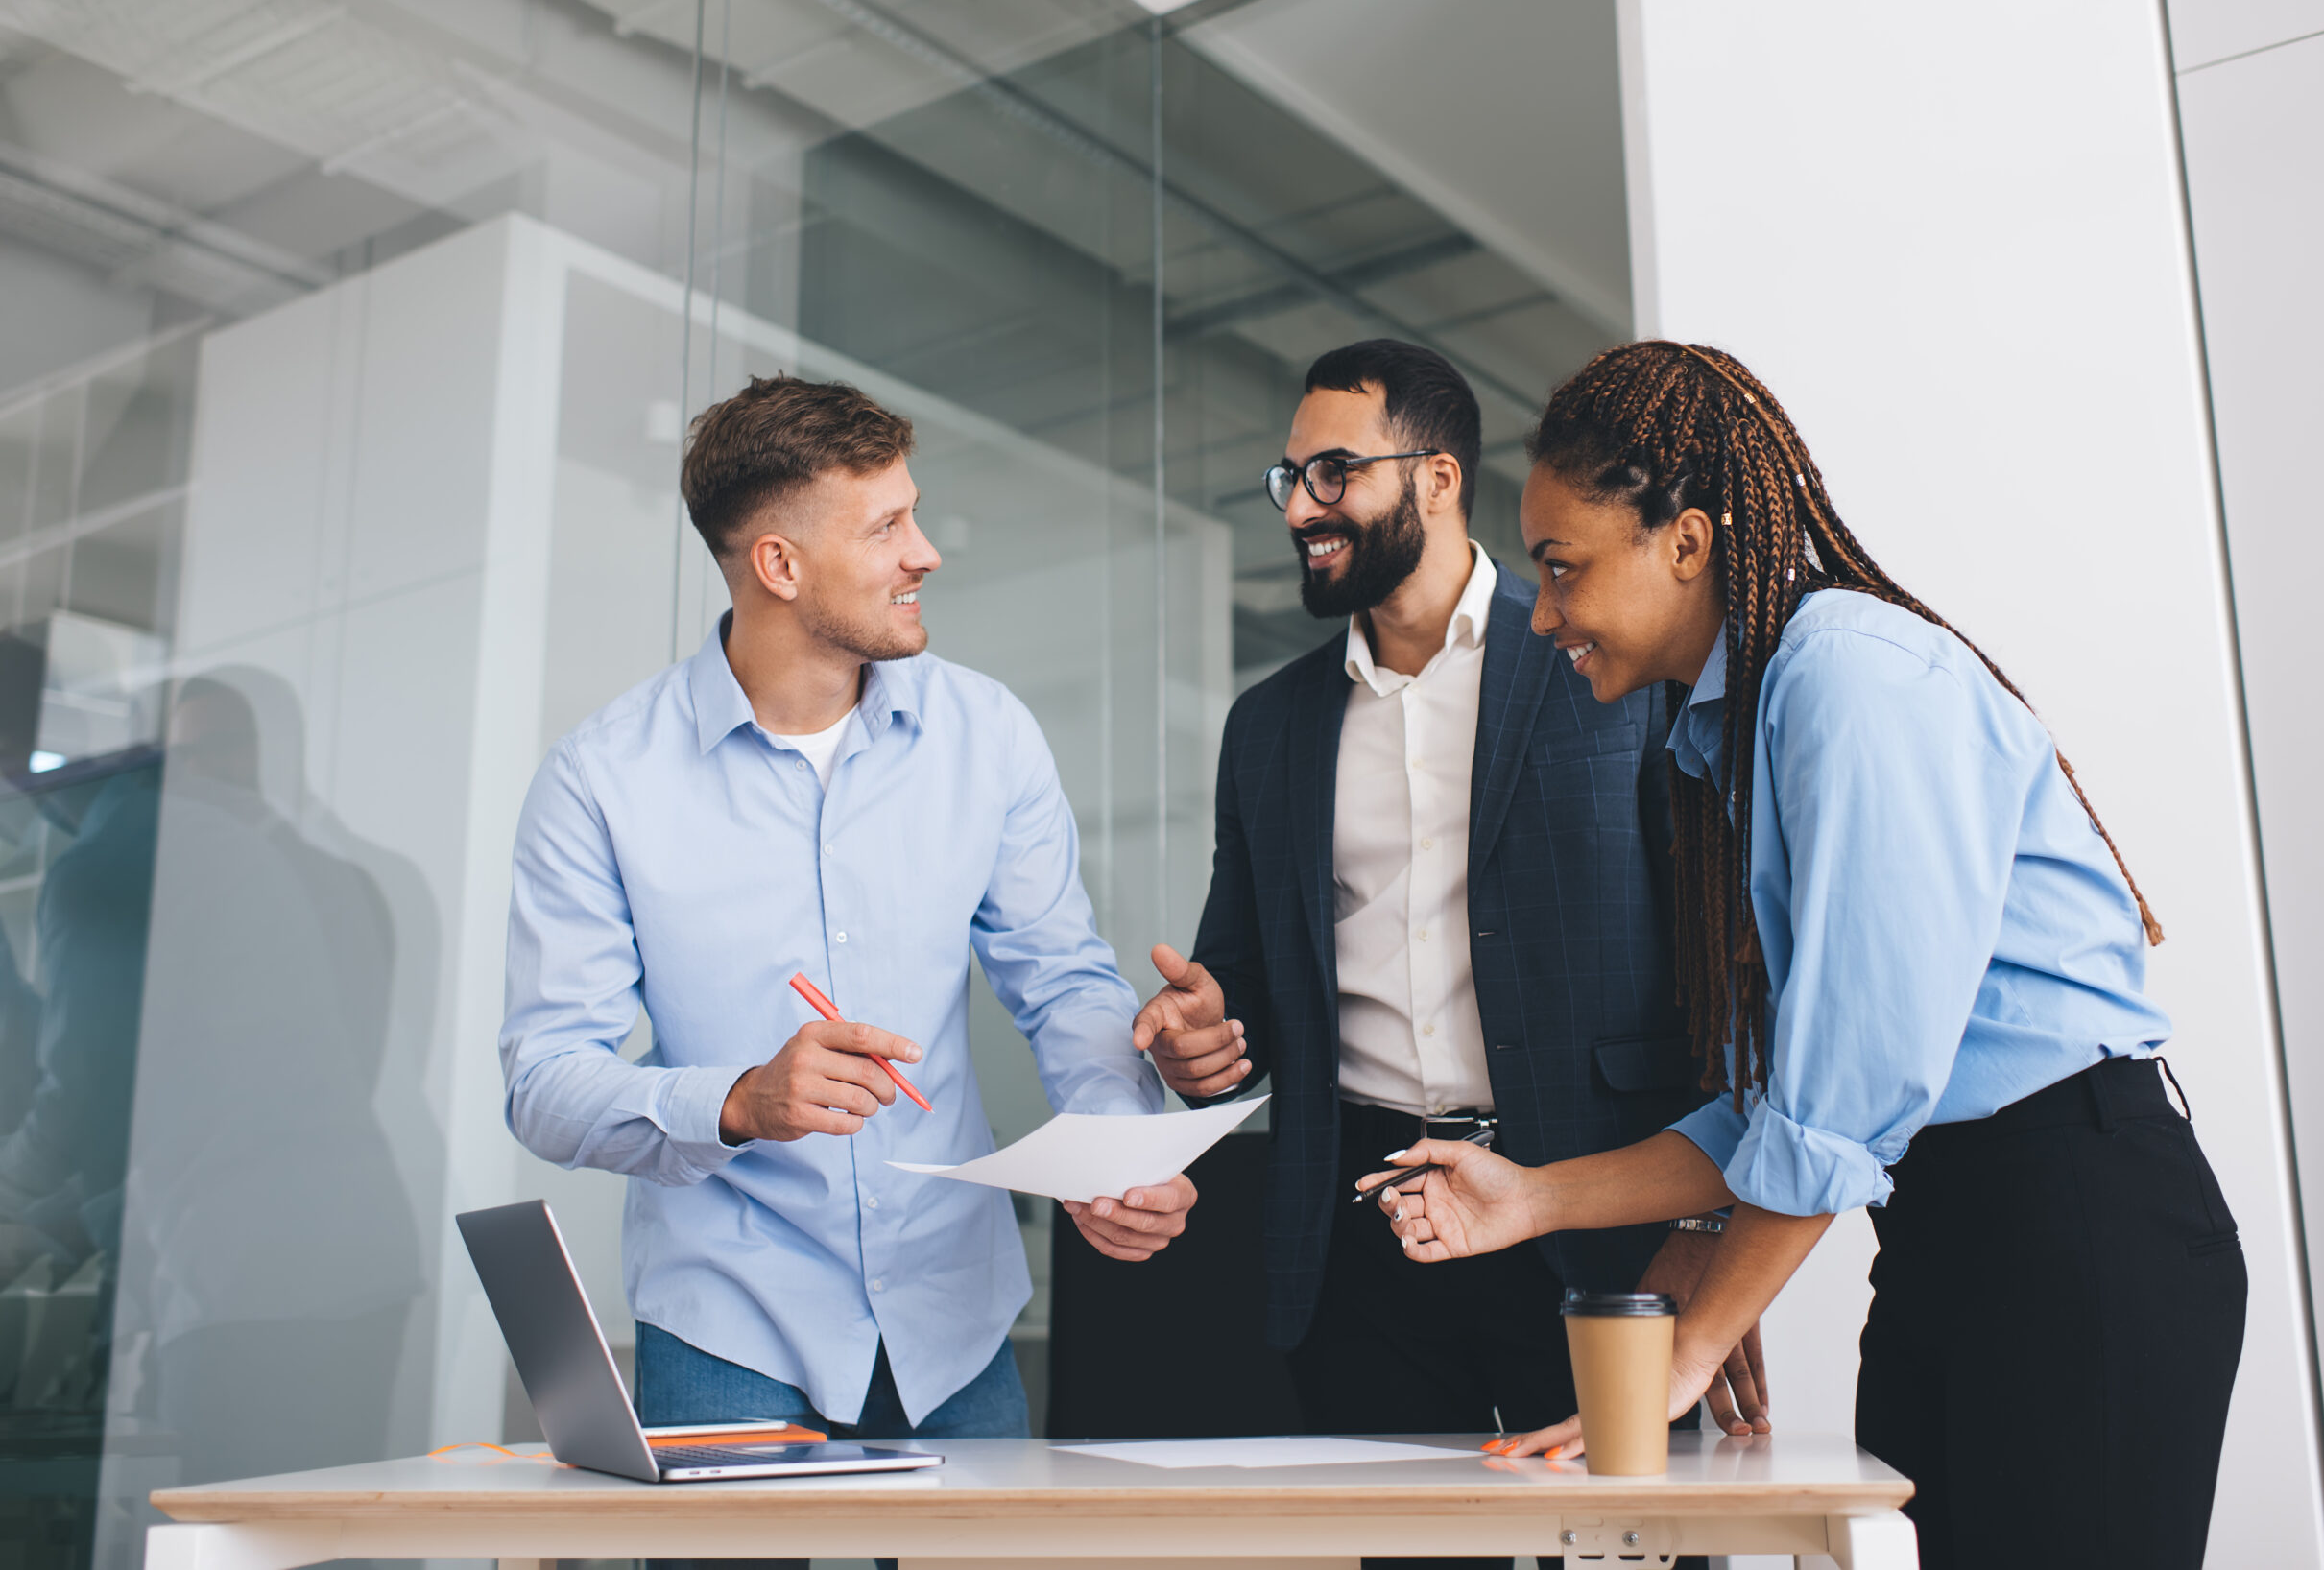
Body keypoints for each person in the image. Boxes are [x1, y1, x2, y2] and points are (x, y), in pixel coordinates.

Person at [1369, 341, 2247, 1569]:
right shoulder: (1739, 719)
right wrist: (1530, 1195)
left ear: (1685, 540)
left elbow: (1848, 1095)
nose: (1548, 613)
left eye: (1564, 569)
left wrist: (1685, 1343)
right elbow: (1778, 1107)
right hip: (1957, 1231)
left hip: (2074, 1223)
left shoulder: (1844, 673)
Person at [1133, 340, 1766, 1569]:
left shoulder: (1611, 654)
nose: (1301, 507)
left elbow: (1720, 961)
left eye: (1331, 472)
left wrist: (1709, 1221)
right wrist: (1202, 1038)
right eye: (1289, 478)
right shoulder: (1267, 726)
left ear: (1433, 478)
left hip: (1596, 1209)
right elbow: (1244, 994)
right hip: (1365, 1231)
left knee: (1640, 1556)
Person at [500, 378, 1194, 1496]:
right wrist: (737, 1100)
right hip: (728, 1321)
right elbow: (543, 1077)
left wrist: (1117, 1147)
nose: (923, 552)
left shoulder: (987, 735)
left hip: (951, 1315)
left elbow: (1063, 981)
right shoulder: (600, 781)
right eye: (885, 527)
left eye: (912, 513)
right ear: (779, 565)